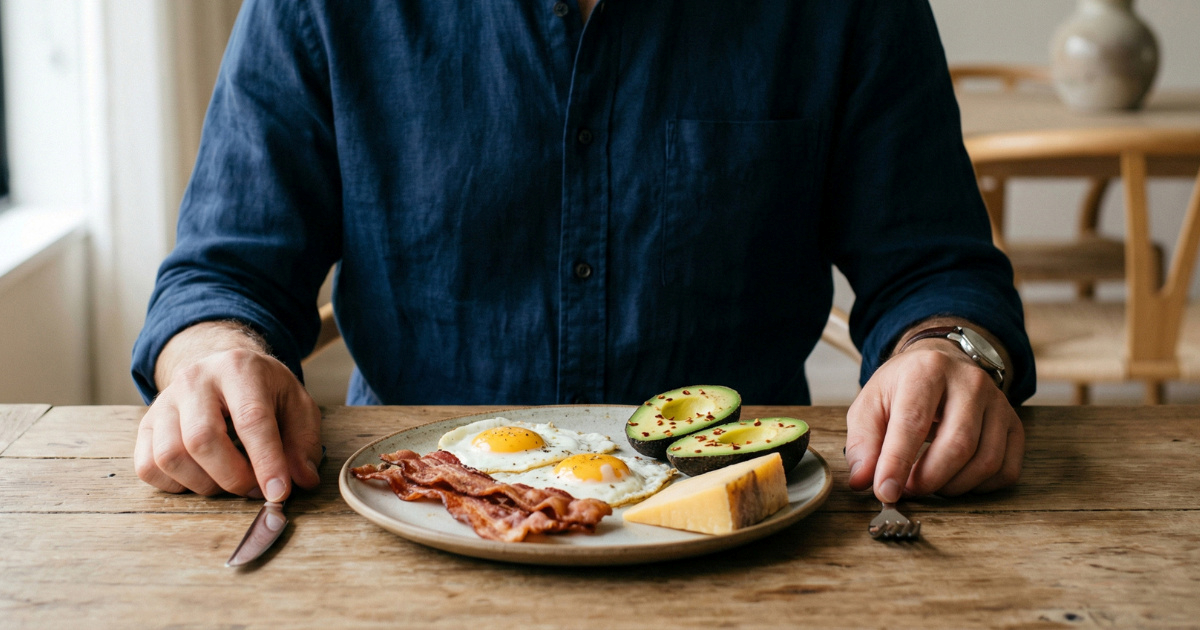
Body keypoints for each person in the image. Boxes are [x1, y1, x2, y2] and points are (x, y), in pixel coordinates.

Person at [132, 0, 1035, 508]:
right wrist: (217, 357)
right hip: (407, 526)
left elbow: (935, 272)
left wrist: (950, 354)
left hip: (747, 545)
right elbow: (223, 275)